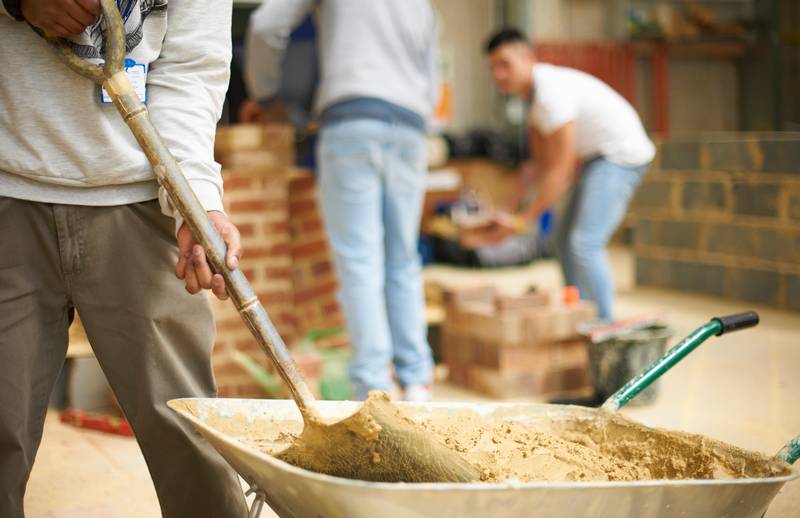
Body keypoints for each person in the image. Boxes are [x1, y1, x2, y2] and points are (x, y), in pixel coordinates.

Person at [0, 1, 248, 516]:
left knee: (192, 443)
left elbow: (190, 68)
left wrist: (195, 200)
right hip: (8, 187)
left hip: (138, 201)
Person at [245, 0, 438, 401]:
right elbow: (431, 74)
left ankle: (374, 387)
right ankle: (417, 382)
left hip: (353, 119)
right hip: (411, 127)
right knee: (403, 258)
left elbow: (265, 24)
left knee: (359, 260)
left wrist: (265, 94)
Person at [484, 28, 655, 321]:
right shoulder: (534, 102)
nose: (498, 74)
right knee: (562, 241)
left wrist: (522, 221)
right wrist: (506, 210)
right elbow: (536, 166)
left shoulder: (551, 93)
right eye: (492, 68)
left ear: (527, 57)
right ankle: (579, 314)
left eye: (505, 64)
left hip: (620, 156)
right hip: (596, 159)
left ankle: (603, 326)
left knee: (585, 243)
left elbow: (560, 171)